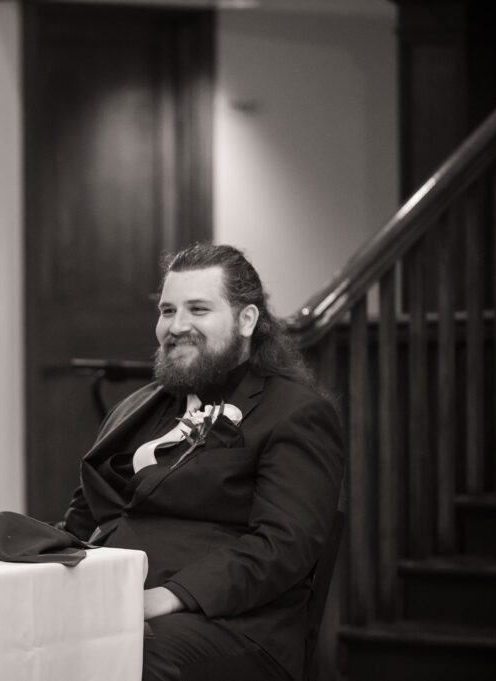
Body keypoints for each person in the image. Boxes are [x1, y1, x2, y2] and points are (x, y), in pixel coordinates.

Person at [63, 243, 344, 681]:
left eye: (198, 309)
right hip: (112, 598)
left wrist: (171, 595)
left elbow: (281, 546)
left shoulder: (295, 412)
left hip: (233, 625)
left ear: (246, 320)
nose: (177, 326)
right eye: (167, 311)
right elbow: (82, 519)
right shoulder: (136, 408)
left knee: (126, 653)